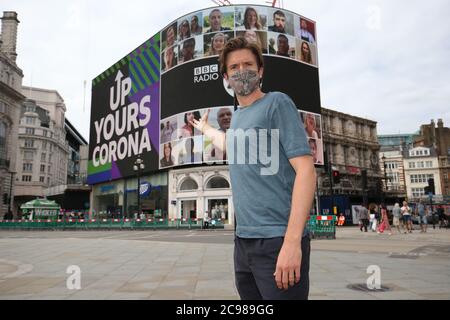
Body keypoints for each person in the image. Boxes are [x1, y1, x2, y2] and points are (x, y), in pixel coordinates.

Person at [190, 37, 316, 300]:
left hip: (278, 238)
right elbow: (230, 144)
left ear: (260, 70)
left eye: (248, 64)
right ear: (225, 76)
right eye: (234, 67)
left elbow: (306, 171)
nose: (241, 71)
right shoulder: (236, 117)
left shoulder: (277, 103)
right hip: (243, 241)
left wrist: (292, 243)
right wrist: (205, 129)